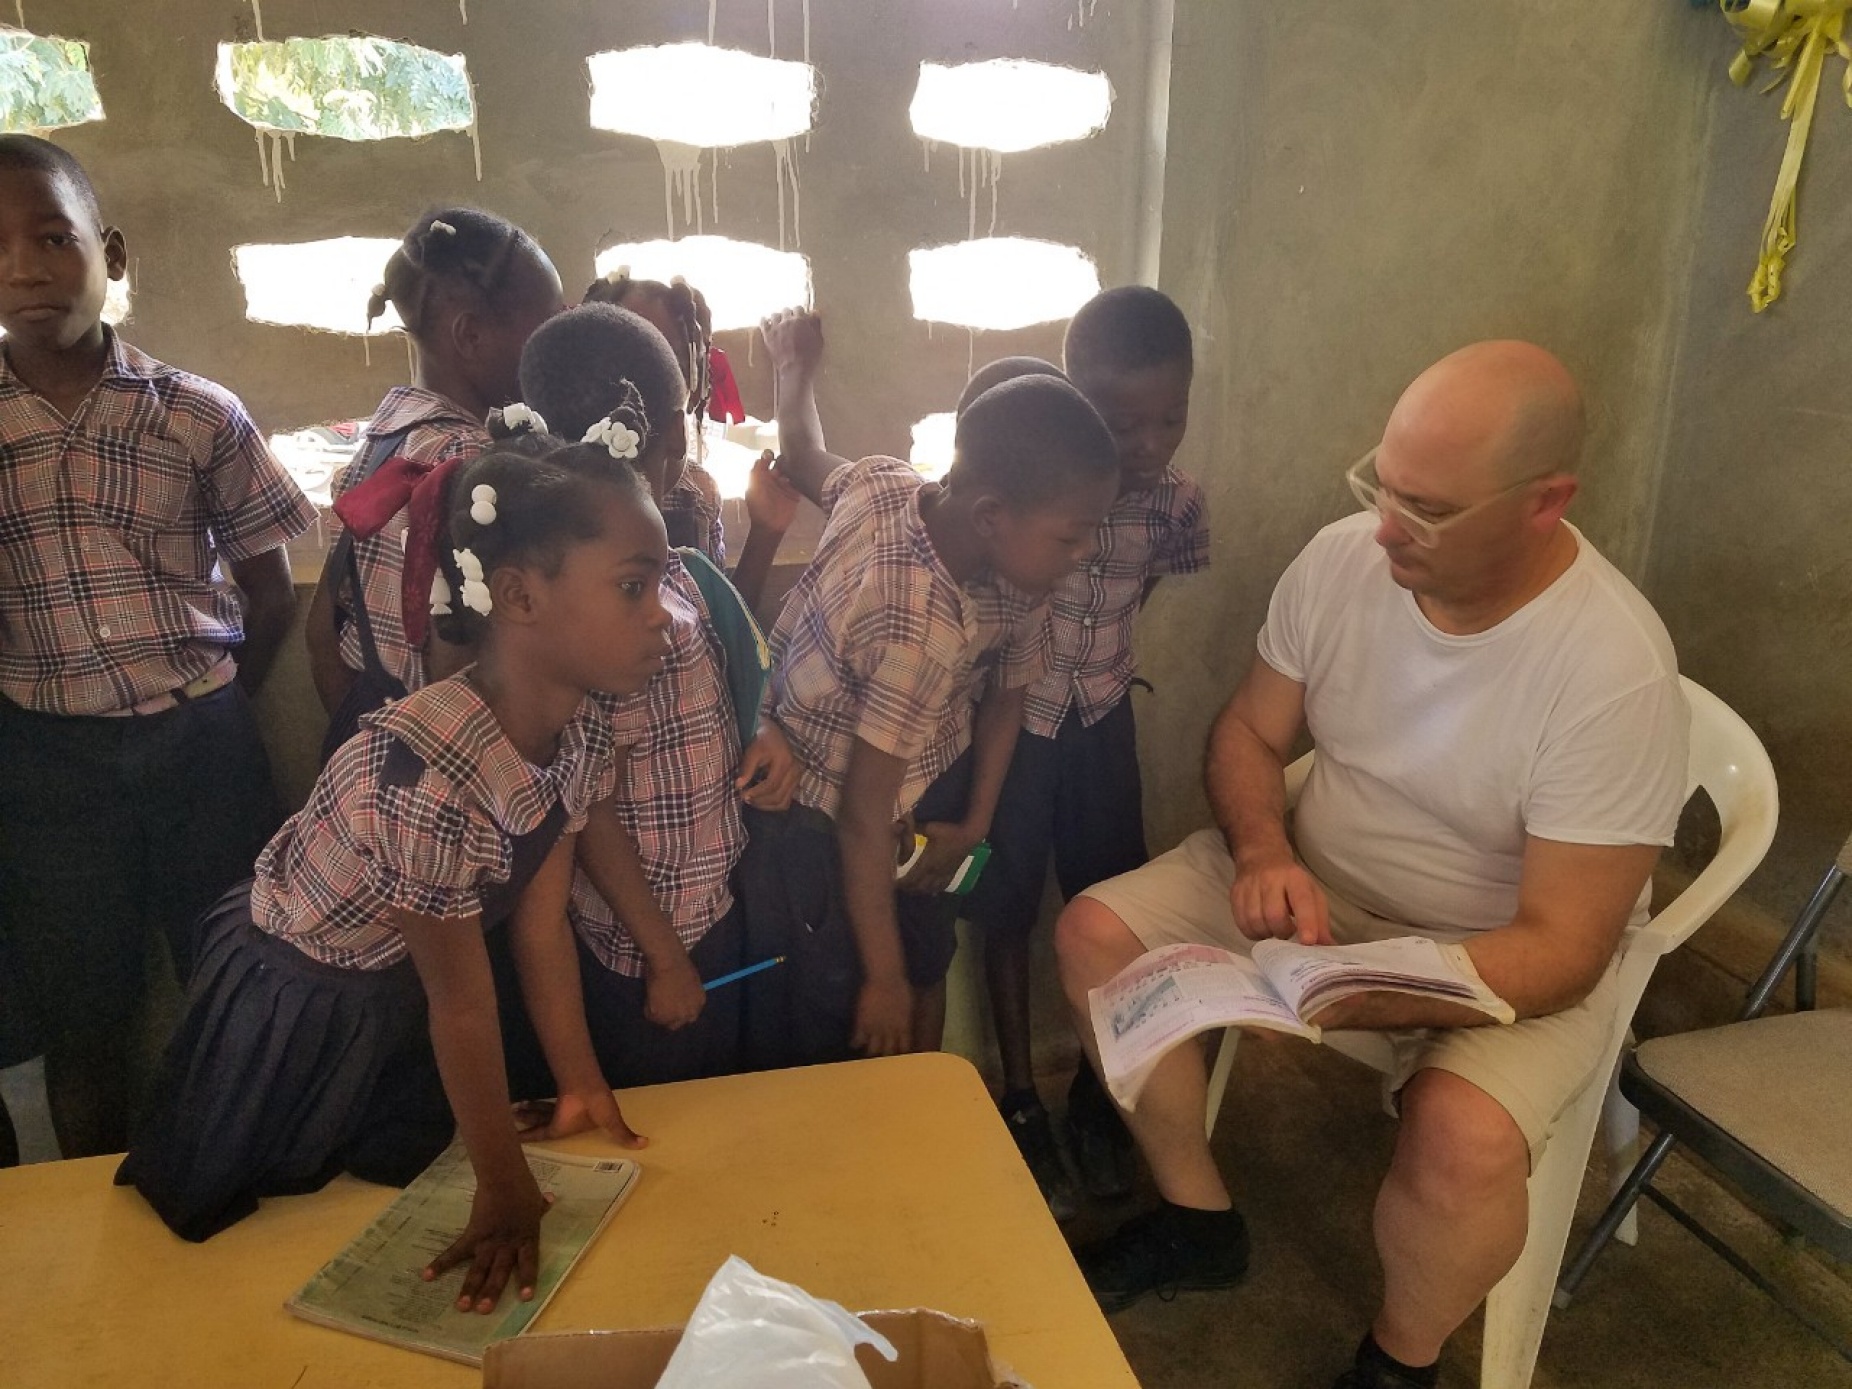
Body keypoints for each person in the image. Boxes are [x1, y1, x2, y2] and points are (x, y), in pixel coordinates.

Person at [1054, 341, 1689, 1389]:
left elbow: (1567, 951)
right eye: (1381, 487)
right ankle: (1196, 1218)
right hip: (1321, 884)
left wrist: (1371, 996)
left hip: (1500, 948)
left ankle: (1400, 1362)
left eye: (1429, 510)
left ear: (1545, 503)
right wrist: (1262, 850)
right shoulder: (1348, 558)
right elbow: (1250, 736)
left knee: (1462, 1141)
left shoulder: (1610, 672)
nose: (1388, 528)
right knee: (1094, 937)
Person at [117, 431, 665, 1316]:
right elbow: (461, 1003)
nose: (666, 616)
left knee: (371, 1186)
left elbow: (539, 922)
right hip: (303, 993)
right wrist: (507, 1186)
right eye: (635, 586)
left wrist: (579, 1079)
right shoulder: (429, 775)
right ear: (519, 595)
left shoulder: (581, 730)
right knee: (253, 1230)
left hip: (402, 984)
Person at [0, 134, 317, 1158]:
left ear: (113, 254)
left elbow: (269, 596)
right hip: (49, 769)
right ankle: (100, 1229)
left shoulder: (197, 415)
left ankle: (245, 1192)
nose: (24, 266)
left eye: (54, 237)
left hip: (202, 754)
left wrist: (214, 700)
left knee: (239, 981)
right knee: (82, 1017)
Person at [744, 307, 1121, 1066]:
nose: (1084, 555)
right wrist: (881, 979)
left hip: (923, 791)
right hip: (824, 821)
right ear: (991, 515)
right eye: (1072, 536)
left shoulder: (890, 483)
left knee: (927, 947)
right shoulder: (924, 628)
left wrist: (976, 823)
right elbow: (859, 815)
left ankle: (921, 1093)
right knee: (848, 997)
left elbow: (804, 450)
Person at [964, 289, 1210, 1219]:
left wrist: (1093, 671)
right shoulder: (1039, 491)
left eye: (1171, 418)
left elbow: (1139, 593)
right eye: (1122, 422)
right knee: (1007, 906)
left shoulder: (1179, 506)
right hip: (1015, 734)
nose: (1149, 443)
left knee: (1113, 909)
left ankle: (1103, 1097)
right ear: (1077, 402)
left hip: (1104, 722)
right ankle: (1020, 1095)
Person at [512, 303, 798, 1090]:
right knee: (673, 1122)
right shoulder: (596, 626)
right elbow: (590, 808)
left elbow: (726, 684)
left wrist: (761, 730)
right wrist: (666, 957)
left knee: (728, 1095)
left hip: (714, 903)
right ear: (667, 440)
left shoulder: (670, 569)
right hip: (643, 944)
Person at [305, 207, 564, 753]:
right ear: (470, 335)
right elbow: (470, 664)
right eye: (546, 326)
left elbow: (323, 627)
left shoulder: (383, 438)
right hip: (452, 751)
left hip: (370, 724)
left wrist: (366, 732)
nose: (554, 346)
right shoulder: (476, 467)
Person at [583, 269, 795, 613]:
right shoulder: (562, 485)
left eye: (672, 361)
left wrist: (766, 532)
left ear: (695, 375)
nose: (649, 380)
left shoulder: (695, 491)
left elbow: (723, 637)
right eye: (630, 357)